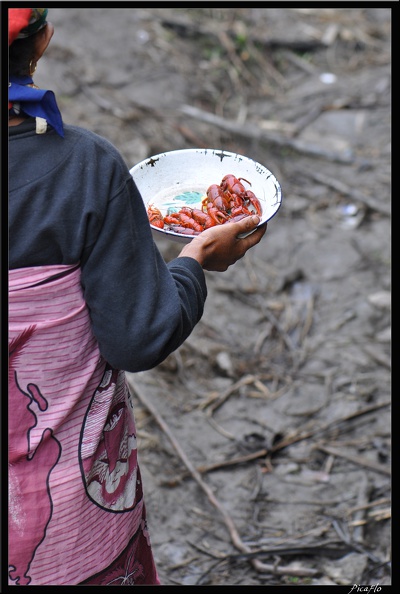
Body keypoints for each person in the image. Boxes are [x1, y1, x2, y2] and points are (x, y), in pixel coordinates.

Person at [8, 8, 267, 586]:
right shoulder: (82, 168)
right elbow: (139, 334)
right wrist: (194, 263)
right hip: (65, 521)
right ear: (42, 42)